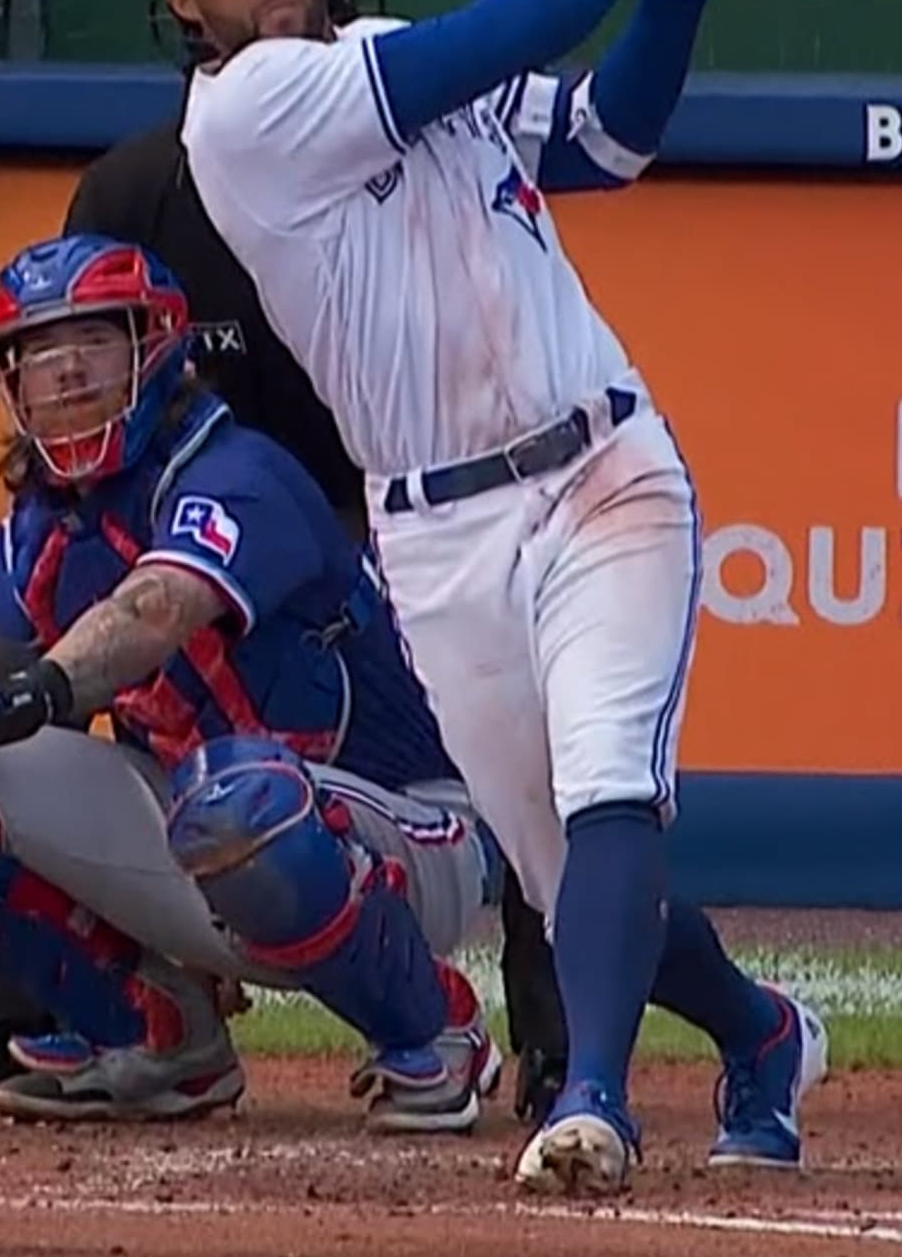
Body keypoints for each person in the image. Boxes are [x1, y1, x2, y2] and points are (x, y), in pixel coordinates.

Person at [152, 0, 828, 1197]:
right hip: (438, 532)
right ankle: (761, 1032)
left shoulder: (395, 49)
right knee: (566, 865)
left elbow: (610, 142)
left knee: (608, 782)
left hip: (600, 468)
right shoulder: (241, 114)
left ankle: (593, 1102)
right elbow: (490, 43)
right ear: (187, 2)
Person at [0, 231, 502, 1132]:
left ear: (157, 352)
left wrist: (35, 693)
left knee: (236, 793)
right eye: (41, 354)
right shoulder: (32, 539)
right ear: (9, 379)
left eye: (94, 344)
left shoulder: (237, 472)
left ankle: (435, 1033)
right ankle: (157, 1036)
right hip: (206, 819)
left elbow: (158, 606)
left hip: (408, 825)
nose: (67, 375)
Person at [56, 114, 576, 1128]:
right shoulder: (137, 186)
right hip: (189, 497)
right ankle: (99, 1014)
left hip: (407, 500)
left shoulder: (420, 183)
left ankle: (552, 1027)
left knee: (515, 708)